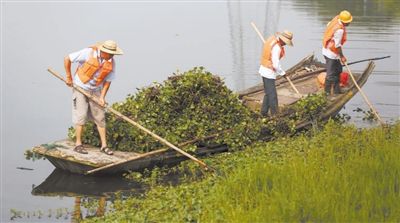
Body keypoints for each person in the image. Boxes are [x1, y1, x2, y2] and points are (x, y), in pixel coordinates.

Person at [64, 40, 123, 155]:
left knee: (100, 117)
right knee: (80, 115)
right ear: (103, 51)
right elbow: (67, 58)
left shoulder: (111, 62)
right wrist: (69, 77)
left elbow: (108, 81)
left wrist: (102, 97)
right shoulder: (88, 53)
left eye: (113, 54)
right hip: (80, 86)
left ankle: (104, 146)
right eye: (110, 53)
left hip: (96, 89)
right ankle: (78, 144)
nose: (111, 56)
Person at [259, 30, 293, 116]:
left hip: (264, 69)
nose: (285, 44)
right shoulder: (277, 48)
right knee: (272, 95)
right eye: (285, 42)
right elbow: (276, 64)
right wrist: (283, 73)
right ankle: (275, 115)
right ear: (282, 40)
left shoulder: (272, 39)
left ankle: (263, 112)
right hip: (268, 72)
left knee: (268, 93)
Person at [322, 10, 353, 95]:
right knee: (330, 75)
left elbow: (328, 25)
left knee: (338, 70)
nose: (349, 23)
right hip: (331, 54)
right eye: (348, 22)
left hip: (328, 50)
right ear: (344, 21)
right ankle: (326, 94)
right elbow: (337, 45)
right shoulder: (339, 30)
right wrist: (342, 56)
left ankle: (337, 91)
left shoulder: (335, 19)